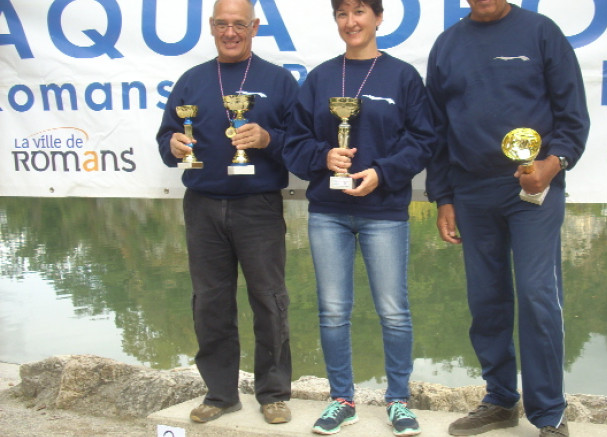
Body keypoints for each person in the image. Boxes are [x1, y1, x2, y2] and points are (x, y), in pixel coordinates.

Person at [425, 1, 590, 437]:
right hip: (471, 191)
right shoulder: (447, 45)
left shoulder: (540, 32)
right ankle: (500, 399)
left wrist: (552, 165)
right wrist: (443, 196)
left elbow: (573, 117)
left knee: (537, 295)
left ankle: (550, 413)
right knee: (486, 300)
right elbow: (437, 131)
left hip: (531, 187)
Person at [282, 1, 434, 435]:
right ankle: (341, 399)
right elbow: (294, 141)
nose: (351, 21)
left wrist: (382, 172)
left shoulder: (402, 76)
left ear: (379, 18)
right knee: (332, 311)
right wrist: (322, 155)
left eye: (360, 11)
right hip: (329, 213)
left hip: (383, 211)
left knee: (393, 311)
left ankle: (399, 401)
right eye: (342, 13)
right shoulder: (320, 78)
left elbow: (423, 139)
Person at [155, 0, 297, 425]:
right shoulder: (192, 80)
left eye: (239, 24)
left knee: (269, 300)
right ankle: (220, 393)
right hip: (202, 206)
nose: (230, 32)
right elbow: (166, 138)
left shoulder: (279, 80)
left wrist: (269, 137)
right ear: (211, 27)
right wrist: (174, 145)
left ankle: (273, 393)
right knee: (210, 302)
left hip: (259, 205)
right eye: (222, 24)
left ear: (255, 27)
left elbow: (303, 145)